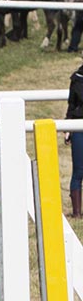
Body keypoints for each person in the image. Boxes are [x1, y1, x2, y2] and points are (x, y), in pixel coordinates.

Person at [66, 60, 83, 216]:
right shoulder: (77, 78)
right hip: (79, 126)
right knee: (78, 170)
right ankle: (77, 212)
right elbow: (71, 104)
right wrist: (67, 128)